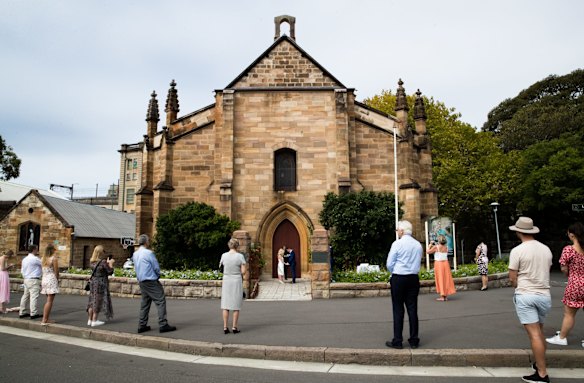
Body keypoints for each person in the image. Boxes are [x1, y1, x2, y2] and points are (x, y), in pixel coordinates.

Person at [508, 217, 552, 383]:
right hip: (544, 295)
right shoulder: (546, 249)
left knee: (534, 335)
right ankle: (539, 363)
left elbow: (512, 277)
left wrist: (517, 286)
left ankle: (542, 373)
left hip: (526, 294)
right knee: (539, 332)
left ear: (519, 232)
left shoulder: (518, 251)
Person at [546, 222, 584, 348]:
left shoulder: (569, 250)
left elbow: (563, 268)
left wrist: (569, 272)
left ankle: (562, 338)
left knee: (569, 314)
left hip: (575, 284)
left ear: (572, 235)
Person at [386, 220, 423, 349]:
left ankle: (398, 340)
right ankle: (414, 340)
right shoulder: (418, 245)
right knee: (412, 309)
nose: (397, 232)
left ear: (401, 231)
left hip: (399, 278)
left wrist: (393, 273)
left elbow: (389, 263)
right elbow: (419, 261)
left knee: (398, 309)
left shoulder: (397, 244)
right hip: (413, 278)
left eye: (397, 230)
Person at [132, 234, 176, 334]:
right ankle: (163, 324)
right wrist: (157, 276)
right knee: (160, 301)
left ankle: (142, 325)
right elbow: (156, 267)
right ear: (146, 242)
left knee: (145, 303)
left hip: (142, 280)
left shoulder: (135, 254)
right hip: (151, 280)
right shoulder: (149, 253)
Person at [220, 238, 247, 334]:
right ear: (237, 246)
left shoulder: (224, 255)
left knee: (225, 304)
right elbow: (243, 272)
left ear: (229, 245)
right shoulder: (240, 256)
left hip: (226, 280)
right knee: (236, 305)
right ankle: (234, 327)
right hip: (236, 280)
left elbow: (222, 267)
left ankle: (225, 327)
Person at [86, 245, 115, 327]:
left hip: (93, 282)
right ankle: (94, 320)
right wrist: (111, 263)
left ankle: (90, 319)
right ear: (101, 252)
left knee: (91, 300)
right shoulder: (102, 262)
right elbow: (110, 271)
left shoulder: (92, 261)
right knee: (97, 301)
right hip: (100, 283)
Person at [426, 235, 456, 301]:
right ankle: (445, 295)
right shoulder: (446, 247)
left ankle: (442, 296)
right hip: (445, 263)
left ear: (439, 240)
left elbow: (428, 252)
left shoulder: (436, 247)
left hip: (439, 264)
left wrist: (430, 245)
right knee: (446, 279)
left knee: (440, 279)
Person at [19, 245, 42, 320]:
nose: (37, 251)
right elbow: (43, 265)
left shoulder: (24, 259)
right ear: (34, 250)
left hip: (26, 279)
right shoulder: (35, 259)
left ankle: (22, 312)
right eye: (36, 249)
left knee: (25, 296)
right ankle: (33, 313)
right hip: (34, 279)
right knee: (33, 296)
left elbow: (22, 270)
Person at [40, 244, 60, 325]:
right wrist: (57, 279)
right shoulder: (53, 259)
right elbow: (56, 271)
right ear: (52, 250)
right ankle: (44, 320)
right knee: (50, 301)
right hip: (51, 279)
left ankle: (46, 318)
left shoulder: (43, 259)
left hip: (44, 279)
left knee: (48, 299)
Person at [0, 250, 16, 314]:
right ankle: (2, 308)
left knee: (2, 290)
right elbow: (2, 269)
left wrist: (9, 266)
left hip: (4, 274)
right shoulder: (3, 258)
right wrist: (10, 266)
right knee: (3, 290)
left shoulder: (3, 258)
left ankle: (2, 307)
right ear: (9, 255)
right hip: (3, 275)